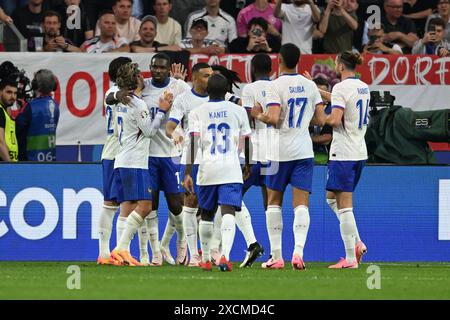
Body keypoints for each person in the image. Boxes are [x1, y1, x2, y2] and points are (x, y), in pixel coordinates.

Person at [251, 43, 325, 270]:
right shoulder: (310, 86)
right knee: (301, 205)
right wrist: (302, 122)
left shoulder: (275, 86)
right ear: (298, 61)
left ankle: (276, 256)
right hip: (303, 151)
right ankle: (298, 252)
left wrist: (258, 114)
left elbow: (273, 118)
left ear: (279, 61)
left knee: (274, 202)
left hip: (278, 151)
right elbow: (321, 121)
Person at [183, 73, 252, 272]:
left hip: (207, 170)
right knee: (229, 210)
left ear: (207, 91)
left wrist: (188, 172)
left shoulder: (198, 112)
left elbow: (194, 143)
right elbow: (247, 140)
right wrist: (249, 164)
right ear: (227, 91)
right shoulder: (238, 111)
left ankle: (205, 259)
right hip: (230, 168)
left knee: (206, 214)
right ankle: (225, 257)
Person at [109, 62, 172, 266]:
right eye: (139, 75)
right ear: (135, 79)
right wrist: (162, 111)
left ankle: (121, 253)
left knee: (127, 208)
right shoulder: (138, 104)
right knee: (145, 206)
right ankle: (121, 248)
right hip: (135, 162)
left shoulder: (118, 101)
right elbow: (150, 131)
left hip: (122, 159)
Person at [141, 53, 191, 266]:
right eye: (155, 67)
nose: (158, 71)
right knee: (150, 205)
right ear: (150, 67)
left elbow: (192, 109)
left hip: (172, 154)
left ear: (169, 69)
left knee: (176, 205)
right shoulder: (142, 87)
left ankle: (182, 243)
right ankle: (155, 252)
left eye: (162, 68)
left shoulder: (180, 88)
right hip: (149, 155)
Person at [165, 62, 213, 267]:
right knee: (190, 205)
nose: (210, 79)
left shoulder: (219, 96)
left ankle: (209, 252)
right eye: (205, 76)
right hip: (191, 160)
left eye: (211, 75)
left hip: (214, 160)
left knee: (209, 209)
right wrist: (174, 132)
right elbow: (170, 125)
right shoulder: (184, 100)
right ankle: (193, 254)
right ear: (194, 78)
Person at [325, 51, 369, 269]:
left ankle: (350, 258)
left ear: (341, 66)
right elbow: (341, 101)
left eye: (335, 63)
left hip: (343, 153)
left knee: (344, 206)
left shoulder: (341, 88)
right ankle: (358, 242)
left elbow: (334, 120)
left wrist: (317, 116)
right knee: (331, 198)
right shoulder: (363, 86)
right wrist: (316, 91)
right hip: (359, 151)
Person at [96, 56, 131, 266]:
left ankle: (120, 251)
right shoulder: (113, 92)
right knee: (110, 204)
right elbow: (112, 96)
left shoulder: (131, 94)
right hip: (113, 154)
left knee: (129, 204)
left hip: (126, 155)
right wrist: (120, 93)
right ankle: (105, 253)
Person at [15, 69, 59, 162]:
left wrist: (20, 110)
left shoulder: (30, 107)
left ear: (35, 85)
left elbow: (17, 127)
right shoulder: (55, 106)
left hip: (30, 160)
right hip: (51, 159)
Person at [309, 77, 333, 165]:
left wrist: (307, 139)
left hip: (326, 157)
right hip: (305, 155)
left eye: (322, 94)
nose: (321, 98)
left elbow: (327, 138)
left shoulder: (332, 110)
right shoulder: (306, 108)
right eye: (317, 93)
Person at [0, 79, 18, 162]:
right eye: (9, 92)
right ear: (0, 92)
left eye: (15, 93)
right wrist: (10, 167)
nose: (13, 97)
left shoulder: (5, 111)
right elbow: (0, 142)